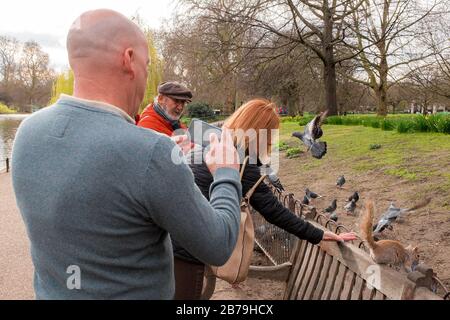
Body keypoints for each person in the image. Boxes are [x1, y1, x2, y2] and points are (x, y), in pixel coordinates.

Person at [11, 9, 243, 300]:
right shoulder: (151, 153)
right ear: (129, 59)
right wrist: (226, 172)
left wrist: (163, 160)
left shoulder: (27, 132)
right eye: (146, 65)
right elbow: (219, 245)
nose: (146, 78)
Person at [173, 99, 356, 299]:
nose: (272, 142)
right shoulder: (241, 162)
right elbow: (275, 212)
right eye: (270, 135)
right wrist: (320, 234)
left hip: (171, 236)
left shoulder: (210, 142)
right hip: (187, 252)